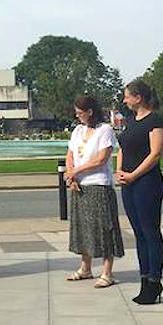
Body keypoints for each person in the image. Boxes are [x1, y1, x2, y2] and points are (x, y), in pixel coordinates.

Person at [63, 95, 124, 288]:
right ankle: (85, 267)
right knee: (82, 227)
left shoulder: (104, 130)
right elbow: (70, 154)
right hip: (79, 185)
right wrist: (71, 176)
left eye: (81, 113)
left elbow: (101, 159)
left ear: (90, 112)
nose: (78, 116)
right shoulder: (78, 130)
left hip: (98, 184)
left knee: (103, 228)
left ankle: (107, 272)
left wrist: (76, 171)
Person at [116, 78, 163, 304]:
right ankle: (144, 278)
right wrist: (120, 171)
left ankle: (155, 281)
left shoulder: (155, 120)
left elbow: (155, 154)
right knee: (139, 233)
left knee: (150, 232)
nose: (125, 100)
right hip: (129, 182)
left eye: (127, 96)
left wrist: (135, 174)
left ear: (139, 97)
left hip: (147, 183)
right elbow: (122, 148)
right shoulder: (129, 120)